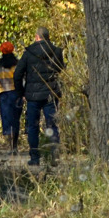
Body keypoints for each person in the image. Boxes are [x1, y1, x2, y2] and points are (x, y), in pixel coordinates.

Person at [13, 26, 65, 166]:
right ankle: (54, 156)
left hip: (32, 95)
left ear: (37, 37)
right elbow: (61, 70)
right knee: (52, 125)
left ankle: (35, 157)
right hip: (51, 94)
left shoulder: (29, 52)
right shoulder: (57, 51)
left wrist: (21, 93)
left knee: (33, 127)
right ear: (48, 37)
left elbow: (17, 74)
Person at [0, 42, 22, 155]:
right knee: (16, 119)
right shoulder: (17, 64)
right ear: (12, 50)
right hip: (16, 93)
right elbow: (23, 78)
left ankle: (9, 147)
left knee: (7, 120)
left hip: (4, 94)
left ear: (2, 51)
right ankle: (15, 146)